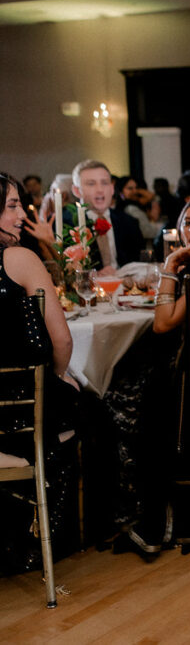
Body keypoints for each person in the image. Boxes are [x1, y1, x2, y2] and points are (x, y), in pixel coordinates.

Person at [100, 197, 190, 559]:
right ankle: (150, 512)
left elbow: (164, 322)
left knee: (121, 399)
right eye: (188, 222)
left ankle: (146, 518)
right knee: (129, 387)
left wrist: (168, 266)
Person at [0, 172, 80, 573]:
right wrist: (62, 375)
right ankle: (48, 538)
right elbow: (61, 340)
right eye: (12, 206)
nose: (20, 215)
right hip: (17, 410)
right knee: (92, 409)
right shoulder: (17, 259)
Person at [68, 160, 145, 272]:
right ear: (76, 191)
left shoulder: (129, 222)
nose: (100, 190)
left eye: (104, 183)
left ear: (112, 189)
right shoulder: (68, 224)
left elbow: (139, 263)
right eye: (91, 184)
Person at [116, 174, 164, 242]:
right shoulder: (131, 209)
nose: (135, 191)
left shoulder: (132, 206)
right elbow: (148, 233)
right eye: (130, 188)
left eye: (136, 188)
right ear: (120, 192)